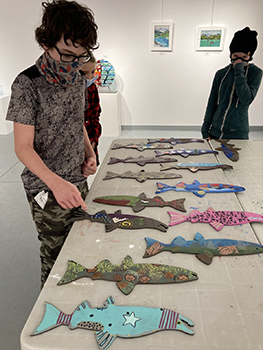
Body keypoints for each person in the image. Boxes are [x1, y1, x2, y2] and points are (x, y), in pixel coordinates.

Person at [6, 0, 98, 288]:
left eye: (81, 56)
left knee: (80, 247)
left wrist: (89, 151)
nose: (75, 63)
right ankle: (49, 319)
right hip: (46, 187)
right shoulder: (26, 84)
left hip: (76, 179)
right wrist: (56, 183)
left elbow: (76, 120)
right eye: (68, 54)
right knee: (56, 255)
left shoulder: (76, 75)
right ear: (46, 43)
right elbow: (22, 147)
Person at [201, 27, 262, 140]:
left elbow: (246, 99)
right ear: (230, 55)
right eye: (235, 56)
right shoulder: (221, 74)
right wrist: (205, 129)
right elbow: (212, 102)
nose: (239, 60)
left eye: (244, 57)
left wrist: (239, 71)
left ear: (250, 56)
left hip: (238, 133)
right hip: (215, 131)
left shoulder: (256, 73)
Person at [81, 55, 102, 166]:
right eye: (84, 73)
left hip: (90, 143)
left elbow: (95, 117)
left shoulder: (92, 88)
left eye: (92, 72)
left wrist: (93, 140)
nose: (89, 77)